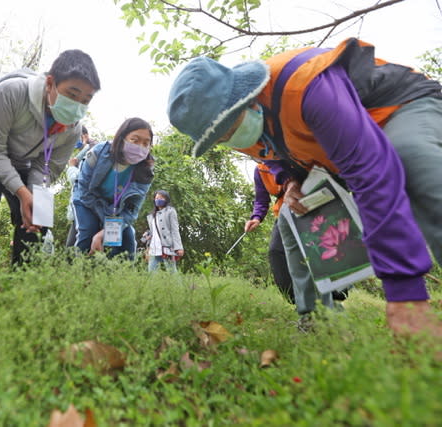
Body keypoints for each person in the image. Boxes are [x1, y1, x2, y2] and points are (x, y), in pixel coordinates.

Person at [167, 37, 442, 338]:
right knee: (294, 218)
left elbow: (371, 172)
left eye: (228, 128)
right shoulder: (237, 128)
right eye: (218, 137)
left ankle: (414, 307)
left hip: (397, 108)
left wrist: (405, 295)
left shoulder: (304, 87)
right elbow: (273, 156)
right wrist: (290, 182)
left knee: (416, 166)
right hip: (331, 156)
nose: (228, 139)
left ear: (245, 98)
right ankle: (317, 316)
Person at [0, 49, 100, 265]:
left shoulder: (72, 129)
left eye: (86, 100)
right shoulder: (11, 92)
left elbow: (47, 168)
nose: (77, 105)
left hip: (20, 159)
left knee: (40, 210)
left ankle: (23, 275)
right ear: (50, 83)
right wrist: (21, 192)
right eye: (72, 94)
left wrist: (32, 196)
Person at [72, 117, 154, 260]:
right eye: (135, 140)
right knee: (88, 232)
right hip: (86, 201)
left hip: (115, 210)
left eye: (146, 143)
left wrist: (106, 231)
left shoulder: (145, 172)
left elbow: (132, 211)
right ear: (122, 138)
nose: (140, 147)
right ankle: (81, 275)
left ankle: (119, 278)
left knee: (127, 239)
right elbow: (83, 187)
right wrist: (104, 222)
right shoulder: (99, 152)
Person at [245, 162, 293, 301]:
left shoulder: (285, 155)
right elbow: (261, 199)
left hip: (306, 205)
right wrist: (256, 218)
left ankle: (336, 293)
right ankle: (296, 299)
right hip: (283, 214)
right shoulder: (260, 170)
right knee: (275, 251)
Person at [65, 125, 97, 247]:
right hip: (82, 208)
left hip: (86, 206)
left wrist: (72, 167)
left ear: (85, 136)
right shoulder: (83, 154)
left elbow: (80, 179)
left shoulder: (92, 152)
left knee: (72, 249)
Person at [145, 190, 184, 272]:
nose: (158, 199)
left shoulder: (170, 211)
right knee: (150, 273)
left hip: (167, 247)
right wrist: (148, 247)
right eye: (157, 198)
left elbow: (175, 230)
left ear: (166, 199)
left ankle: (176, 285)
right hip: (154, 248)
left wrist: (179, 247)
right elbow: (153, 232)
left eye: (161, 198)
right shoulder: (151, 215)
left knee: (172, 272)